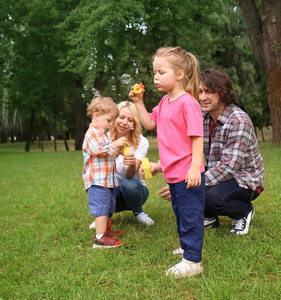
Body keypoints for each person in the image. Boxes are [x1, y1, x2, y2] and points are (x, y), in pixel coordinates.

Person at [150, 68, 264, 235]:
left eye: (209, 92)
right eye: (201, 91)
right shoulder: (202, 116)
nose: (203, 97)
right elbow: (183, 147)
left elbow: (228, 168)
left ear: (223, 93)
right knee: (193, 189)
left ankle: (243, 211)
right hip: (218, 174)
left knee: (208, 196)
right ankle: (209, 216)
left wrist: (188, 184)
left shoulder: (239, 121)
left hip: (245, 180)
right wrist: (161, 165)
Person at [129, 46, 205, 278]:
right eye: (154, 72)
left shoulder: (188, 103)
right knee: (181, 213)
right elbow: (150, 124)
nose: (156, 77)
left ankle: (192, 262)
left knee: (190, 215)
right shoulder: (164, 102)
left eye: (161, 72)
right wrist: (138, 102)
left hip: (187, 173)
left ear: (180, 75)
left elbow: (197, 137)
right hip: (173, 174)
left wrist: (194, 168)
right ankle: (186, 246)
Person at [89, 101, 154, 227]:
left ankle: (138, 212)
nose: (124, 122)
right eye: (121, 117)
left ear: (134, 124)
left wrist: (131, 164)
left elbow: (130, 175)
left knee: (128, 184)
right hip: (112, 190)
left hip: (135, 192)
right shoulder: (104, 138)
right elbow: (98, 170)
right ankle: (105, 215)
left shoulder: (142, 142)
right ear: (114, 118)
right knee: (101, 187)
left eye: (130, 120)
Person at [82, 96, 127, 249]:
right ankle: (100, 239)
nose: (111, 124)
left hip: (107, 180)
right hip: (97, 180)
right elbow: (98, 150)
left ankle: (105, 232)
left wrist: (117, 151)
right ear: (96, 116)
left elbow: (107, 153)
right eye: (109, 120)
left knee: (107, 207)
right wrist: (114, 144)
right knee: (101, 208)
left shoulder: (102, 134)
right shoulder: (92, 133)